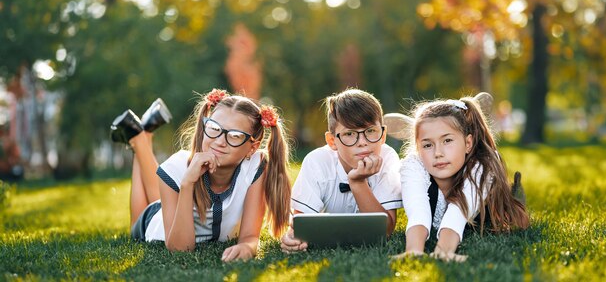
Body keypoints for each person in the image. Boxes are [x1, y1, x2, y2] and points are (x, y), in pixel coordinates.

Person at [110, 89, 291, 262]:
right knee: (143, 213)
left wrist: (247, 247)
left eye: (235, 135)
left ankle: (142, 133)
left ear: (252, 147)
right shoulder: (176, 167)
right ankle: (139, 139)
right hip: (154, 220)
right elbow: (180, 250)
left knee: (162, 196)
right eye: (214, 128)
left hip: (171, 205)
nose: (220, 141)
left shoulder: (256, 166)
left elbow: (250, 236)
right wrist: (187, 183)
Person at [396, 95, 529, 262]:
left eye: (447, 140)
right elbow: (417, 211)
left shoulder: (482, 165)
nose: (438, 153)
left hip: (490, 203)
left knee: (515, 215)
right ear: (418, 148)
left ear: (468, 143)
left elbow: (459, 210)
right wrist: (413, 251)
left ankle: (515, 191)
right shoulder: (413, 165)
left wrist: (443, 251)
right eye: (427, 145)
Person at [280, 88, 402, 253]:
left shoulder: (387, 158)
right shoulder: (317, 162)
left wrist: (357, 183)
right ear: (332, 141)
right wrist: (293, 237)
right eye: (350, 133)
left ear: (383, 134)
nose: (362, 142)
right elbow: (301, 223)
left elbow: (385, 231)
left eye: (371, 131)